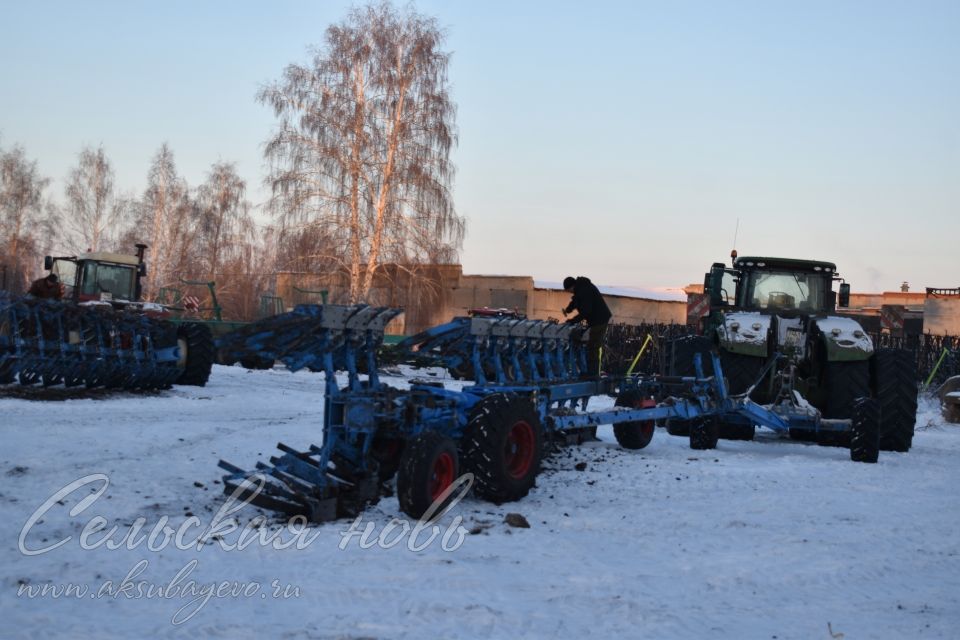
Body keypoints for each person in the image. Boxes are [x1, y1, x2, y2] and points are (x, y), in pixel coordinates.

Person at [562, 275, 612, 378]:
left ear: (572, 286)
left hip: (599, 320)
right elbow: (576, 300)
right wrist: (568, 309)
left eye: (569, 290)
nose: (570, 292)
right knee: (591, 345)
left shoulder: (585, 290)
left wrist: (572, 321)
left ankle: (593, 374)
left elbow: (586, 311)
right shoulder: (581, 288)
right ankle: (591, 372)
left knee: (593, 346)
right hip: (596, 320)